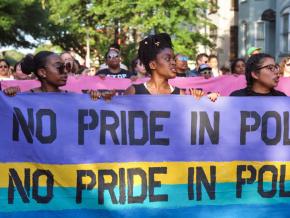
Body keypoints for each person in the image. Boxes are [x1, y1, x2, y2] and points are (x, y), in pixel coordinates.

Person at [125, 33, 219, 101]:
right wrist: (109, 101)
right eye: (167, 59)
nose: (173, 62)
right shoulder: (133, 91)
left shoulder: (180, 94)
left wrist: (198, 103)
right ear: (153, 65)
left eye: (173, 59)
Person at [3, 51, 107, 100]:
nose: (65, 71)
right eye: (59, 67)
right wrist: (9, 97)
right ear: (42, 72)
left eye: (65, 67)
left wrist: (96, 99)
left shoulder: (73, 97)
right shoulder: (24, 98)